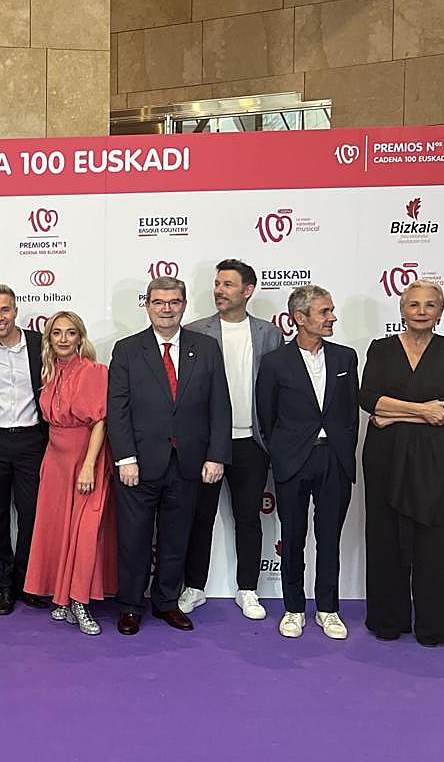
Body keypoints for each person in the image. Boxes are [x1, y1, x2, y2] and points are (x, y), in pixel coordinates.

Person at [108, 276, 231, 635]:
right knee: (134, 540)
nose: (166, 309)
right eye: (159, 302)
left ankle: (166, 603)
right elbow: (118, 409)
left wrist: (216, 456)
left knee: (177, 540)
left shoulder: (206, 347)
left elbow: (219, 405)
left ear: (184, 305)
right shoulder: (127, 350)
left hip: (188, 463)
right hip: (138, 465)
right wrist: (125, 458)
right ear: (147, 305)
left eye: (174, 302)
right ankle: (131, 605)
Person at [360, 280, 444, 646]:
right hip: (386, 456)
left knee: (434, 541)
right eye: (414, 305)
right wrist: (422, 410)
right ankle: (388, 620)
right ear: (402, 311)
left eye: (430, 305)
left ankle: (432, 627)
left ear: (440, 311)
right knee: (385, 537)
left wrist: (392, 414)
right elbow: (369, 399)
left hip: (437, 458)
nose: (422, 311)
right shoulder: (381, 348)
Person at [180, 259, 283, 621]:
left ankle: (248, 589)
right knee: (200, 517)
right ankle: (194, 587)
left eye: (227, 284)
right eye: (217, 284)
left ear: (248, 291)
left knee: (248, 518)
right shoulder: (195, 331)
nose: (219, 291)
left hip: (252, 442)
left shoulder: (269, 334)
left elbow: (277, 389)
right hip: (207, 444)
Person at [256, 285, 358, 640]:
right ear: (300, 318)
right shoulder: (274, 362)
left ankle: (328, 609)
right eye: (324, 312)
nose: (332, 317)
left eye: (331, 310)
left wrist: (343, 450)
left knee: (329, 538)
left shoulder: (346, 358)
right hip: (293, 460)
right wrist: (283, 452)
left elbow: (350, 412)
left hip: (334, 459)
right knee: (292, 538)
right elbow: (266, 415)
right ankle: (294, 608)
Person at [24, 312, 117, 635]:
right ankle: (62, 597)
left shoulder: (95, 371)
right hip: (55, 461)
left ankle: (80, 601)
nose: (63, 339)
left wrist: (89, 464)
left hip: (86, 459)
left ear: (81, 337)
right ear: (49, 339)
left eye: (71, 332)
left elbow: (101, 422)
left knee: (85, 533)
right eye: (57, 333)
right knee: (60, 531)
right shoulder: (48, 372)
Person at [0, 284, 48, 615]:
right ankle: (6, 586)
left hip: (32, 441)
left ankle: (28, 581)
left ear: (16, 311)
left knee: (32, 515)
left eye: (5, 310)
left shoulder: (40, 343)